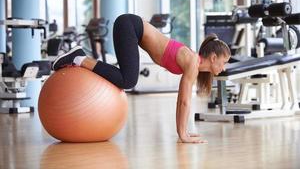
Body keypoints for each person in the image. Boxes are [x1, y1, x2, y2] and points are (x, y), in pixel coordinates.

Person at [52, 14, 231, 143]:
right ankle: (78, 58)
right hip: (129, 25)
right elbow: (184, 101)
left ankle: (80, 57)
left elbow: (180, 101)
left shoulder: (193, 63)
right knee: (128, 80)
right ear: (213, 58)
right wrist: (183, 134)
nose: (224, 68)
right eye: (223, 62)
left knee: (127, 79)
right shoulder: (192, 62)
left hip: (130, 26)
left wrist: (182, 132)